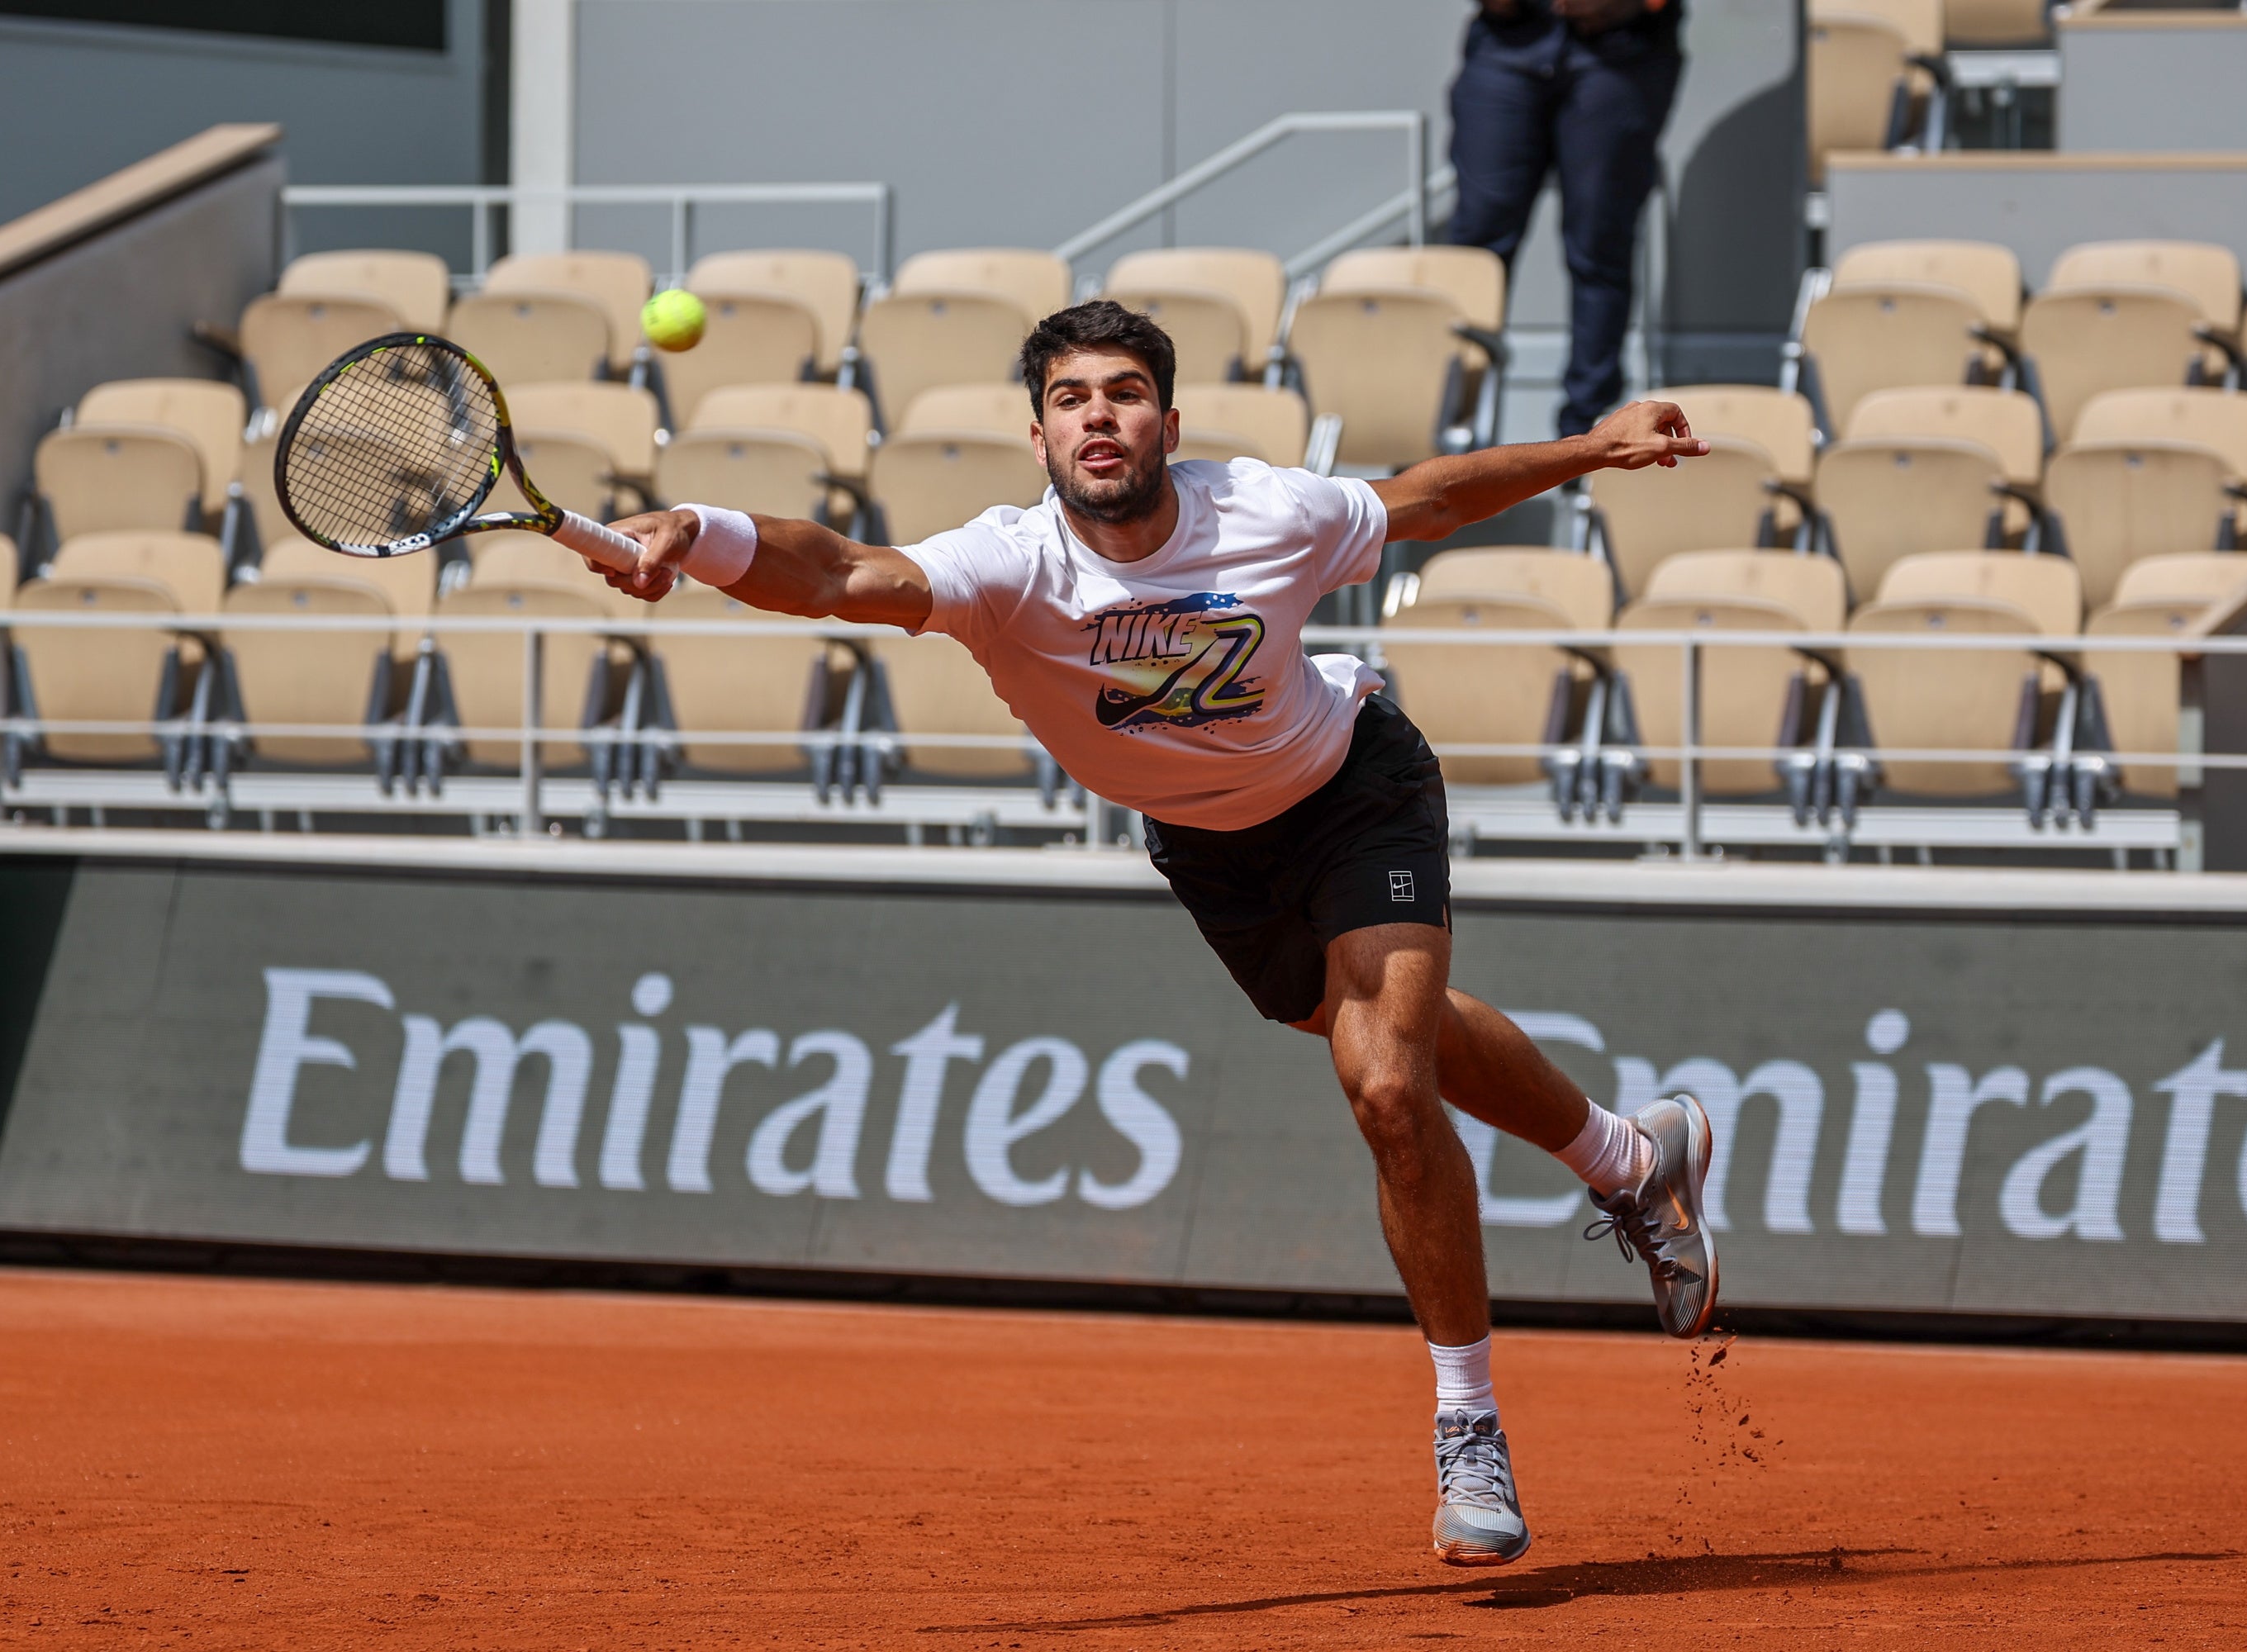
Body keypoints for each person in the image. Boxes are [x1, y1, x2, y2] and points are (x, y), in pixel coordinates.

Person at [596, 300, 1717, 1569]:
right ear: (1039, 437)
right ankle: (1632, 1155)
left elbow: (1428, 502)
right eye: (1072, 399)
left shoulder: (1264, 512)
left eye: (1124, 393)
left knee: (1389, 1089)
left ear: (1167, 424)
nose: (1100, 417)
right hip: (1208, 851)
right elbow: (837, 572)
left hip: (1356, 791)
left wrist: (1595, 446)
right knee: (1391, 1046)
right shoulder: (1010, 566)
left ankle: (1470, 1429)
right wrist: (697, 534)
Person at [1445, 0, 1684, 439]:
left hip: (1622, 49)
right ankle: (1446, 432)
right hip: (1506, 41)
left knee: (1600, 245)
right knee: (1474, 248)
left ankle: (1588, 441)